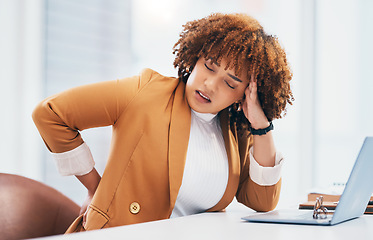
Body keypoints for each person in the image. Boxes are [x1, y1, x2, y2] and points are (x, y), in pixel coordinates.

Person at [32, 13, 294, 233]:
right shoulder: (146, 92)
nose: (209, 85)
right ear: (195, 58)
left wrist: (261, 127)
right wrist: (95, 187)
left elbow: (262, 201)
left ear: (244, 94)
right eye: (209, 66)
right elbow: (51, 113)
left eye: (230, 83)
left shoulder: (234, 130)